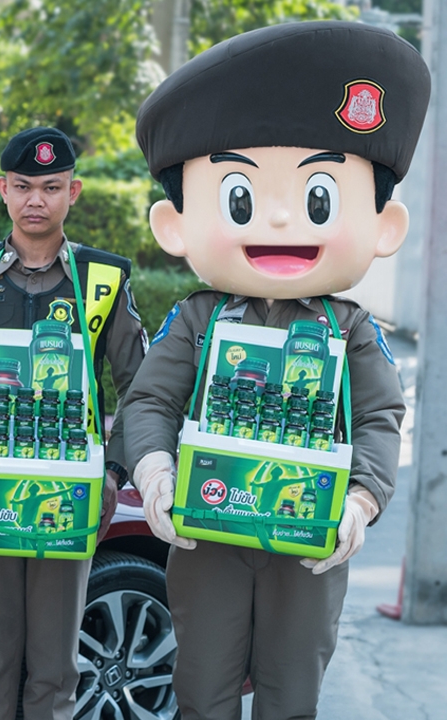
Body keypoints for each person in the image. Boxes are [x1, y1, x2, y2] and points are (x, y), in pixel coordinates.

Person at [120, 21, 429, 719]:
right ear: (175, 223)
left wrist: (363, 500)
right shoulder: (198, 320)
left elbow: (381, 418)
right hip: (208, 534)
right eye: (242, 197)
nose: (284, 219)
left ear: (384, 225)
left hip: (308, 542)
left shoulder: (350, 329)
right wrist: (153, 472)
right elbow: (149, 405)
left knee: (293, 693)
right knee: (202, 688)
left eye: (319, 197)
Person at [0, 127, 148, 719]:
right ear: (3, 190)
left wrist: (115, 473)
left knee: (54, 668)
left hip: (69, 495)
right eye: (22, 187)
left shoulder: (103, 281)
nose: (35, 200)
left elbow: (140, 388)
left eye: (50, 187)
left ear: (74, 191)